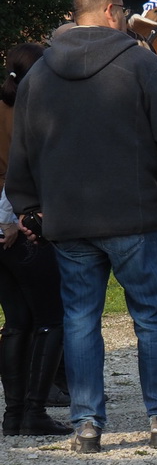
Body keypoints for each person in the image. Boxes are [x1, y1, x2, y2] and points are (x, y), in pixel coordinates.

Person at [5, 0, 157, 453]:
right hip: (131, 216)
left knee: (79, 320)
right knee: (154, 318)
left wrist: (28, 206)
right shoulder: (143, 65)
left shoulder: (38, 75)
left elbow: (23, 149)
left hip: (68, 221)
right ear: (113, 12)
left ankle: (87, 425)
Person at [0, 44, 72, 437]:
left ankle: (14, 415)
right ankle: (34, 410)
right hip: (20, 225)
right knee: (51, 319)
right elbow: (21, 171)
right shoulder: (34, 111)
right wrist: (12, 219)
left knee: (17, 321)